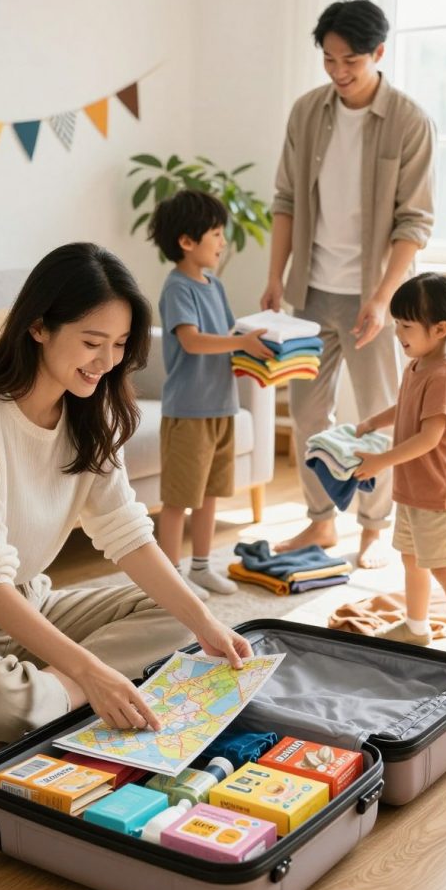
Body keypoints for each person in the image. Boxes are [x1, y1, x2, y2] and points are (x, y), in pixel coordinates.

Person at [0, 242, 252, 745]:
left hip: (29, 603)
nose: (107, 361)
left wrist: (207, 624)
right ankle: (71, 687)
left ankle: (52, 690)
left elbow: (126, 534)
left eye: (121, 343)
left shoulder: (92, 415)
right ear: (38, 327)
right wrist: (91, 673)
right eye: (91, 342)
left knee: (182, 618)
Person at [260, 0, 436, 568]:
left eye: (351, 61)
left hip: (374, 298)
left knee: (382, 412)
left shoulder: (408, 120)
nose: (338, 71)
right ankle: (320, 524)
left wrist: (384, 299)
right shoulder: (308, 112)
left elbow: (414, 220)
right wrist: (273, 278)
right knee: (308, 414)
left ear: (379, 53)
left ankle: (374, 527)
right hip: (309, 291)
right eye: (329, 58)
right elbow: (285, 199)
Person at [353, 272, 446, 661]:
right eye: (397, 323)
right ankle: (416, 629)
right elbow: (405, 410)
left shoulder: (443, 376)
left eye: (406, 325)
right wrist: (371, 423)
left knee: (445, 567)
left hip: (439, 493)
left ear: (440, 329)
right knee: (412, 560)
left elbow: (429, 438)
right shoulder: (416, 367)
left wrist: (380, 461)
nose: (398, 332)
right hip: (414, 489)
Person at [148, 190, 270, 599]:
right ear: (187, 241)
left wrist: (259, 348)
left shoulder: (214, 285)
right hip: (188, 409)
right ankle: (171, 578)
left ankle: (200, 567)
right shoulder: (178, 288)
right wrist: (240, 344)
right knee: (178, 499)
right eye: (216, 234)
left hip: (222, 407)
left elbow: (229, 337)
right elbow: (194, 342)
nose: (222, 242)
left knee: (211, 494)